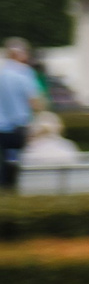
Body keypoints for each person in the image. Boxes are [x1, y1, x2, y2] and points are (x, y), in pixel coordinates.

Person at [0, 39, 41, 194]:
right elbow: (35, 102)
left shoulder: (1, 73)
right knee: (15, 163)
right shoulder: (25, 72)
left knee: (5, 160)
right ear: (19, 54)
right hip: (19, 127)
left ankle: (4, 191)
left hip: (1, 128)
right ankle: (12, 192)